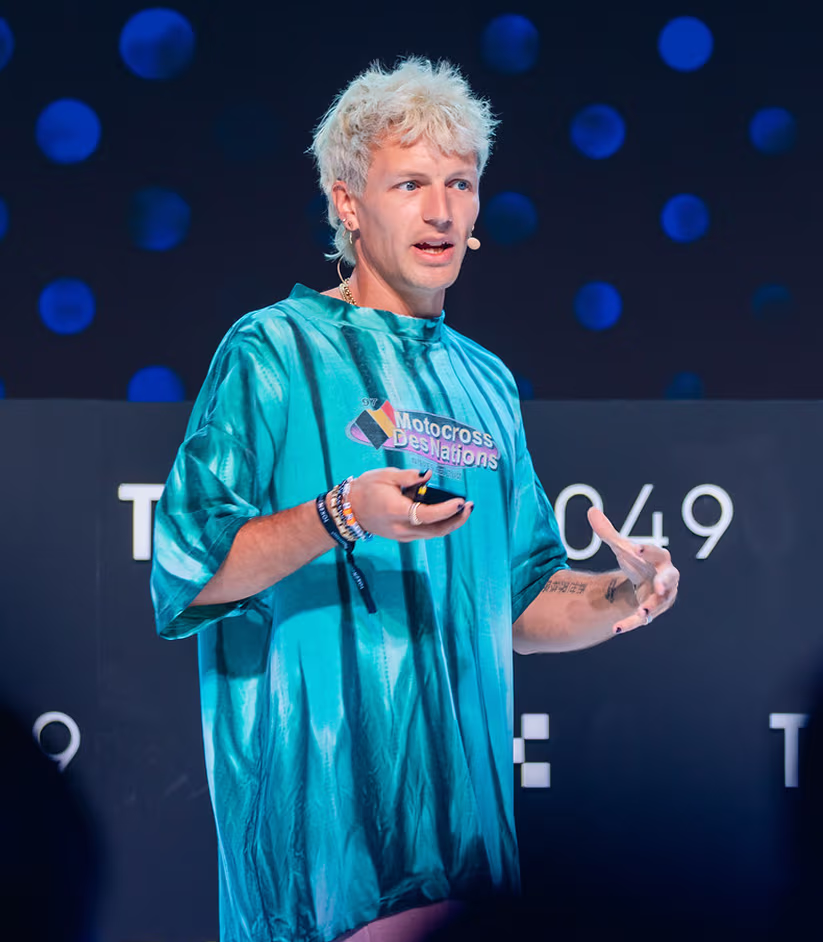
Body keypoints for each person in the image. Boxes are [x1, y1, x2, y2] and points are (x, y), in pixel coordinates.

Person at [150, 57, 679, 942]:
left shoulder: (487, 382)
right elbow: (187, 572)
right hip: (321, 838)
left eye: (459, 184)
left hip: (467, 836)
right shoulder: (272, 350)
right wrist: (338, 516)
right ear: (347, 203)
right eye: (409, 183)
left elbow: (522, 599)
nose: (439, 209)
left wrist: (623, 594)